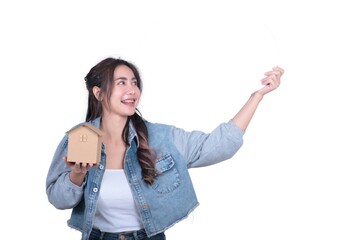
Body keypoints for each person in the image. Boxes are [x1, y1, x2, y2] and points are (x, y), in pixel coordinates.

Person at [46, 56, 284, 240]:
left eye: (134, 83)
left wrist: (257, 96)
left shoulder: (161, 137)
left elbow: (219, 146)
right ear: (98, 92)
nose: (132, 90)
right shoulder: (80, 138)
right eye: (121, 83)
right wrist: (77, 174)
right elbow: (58, 200)